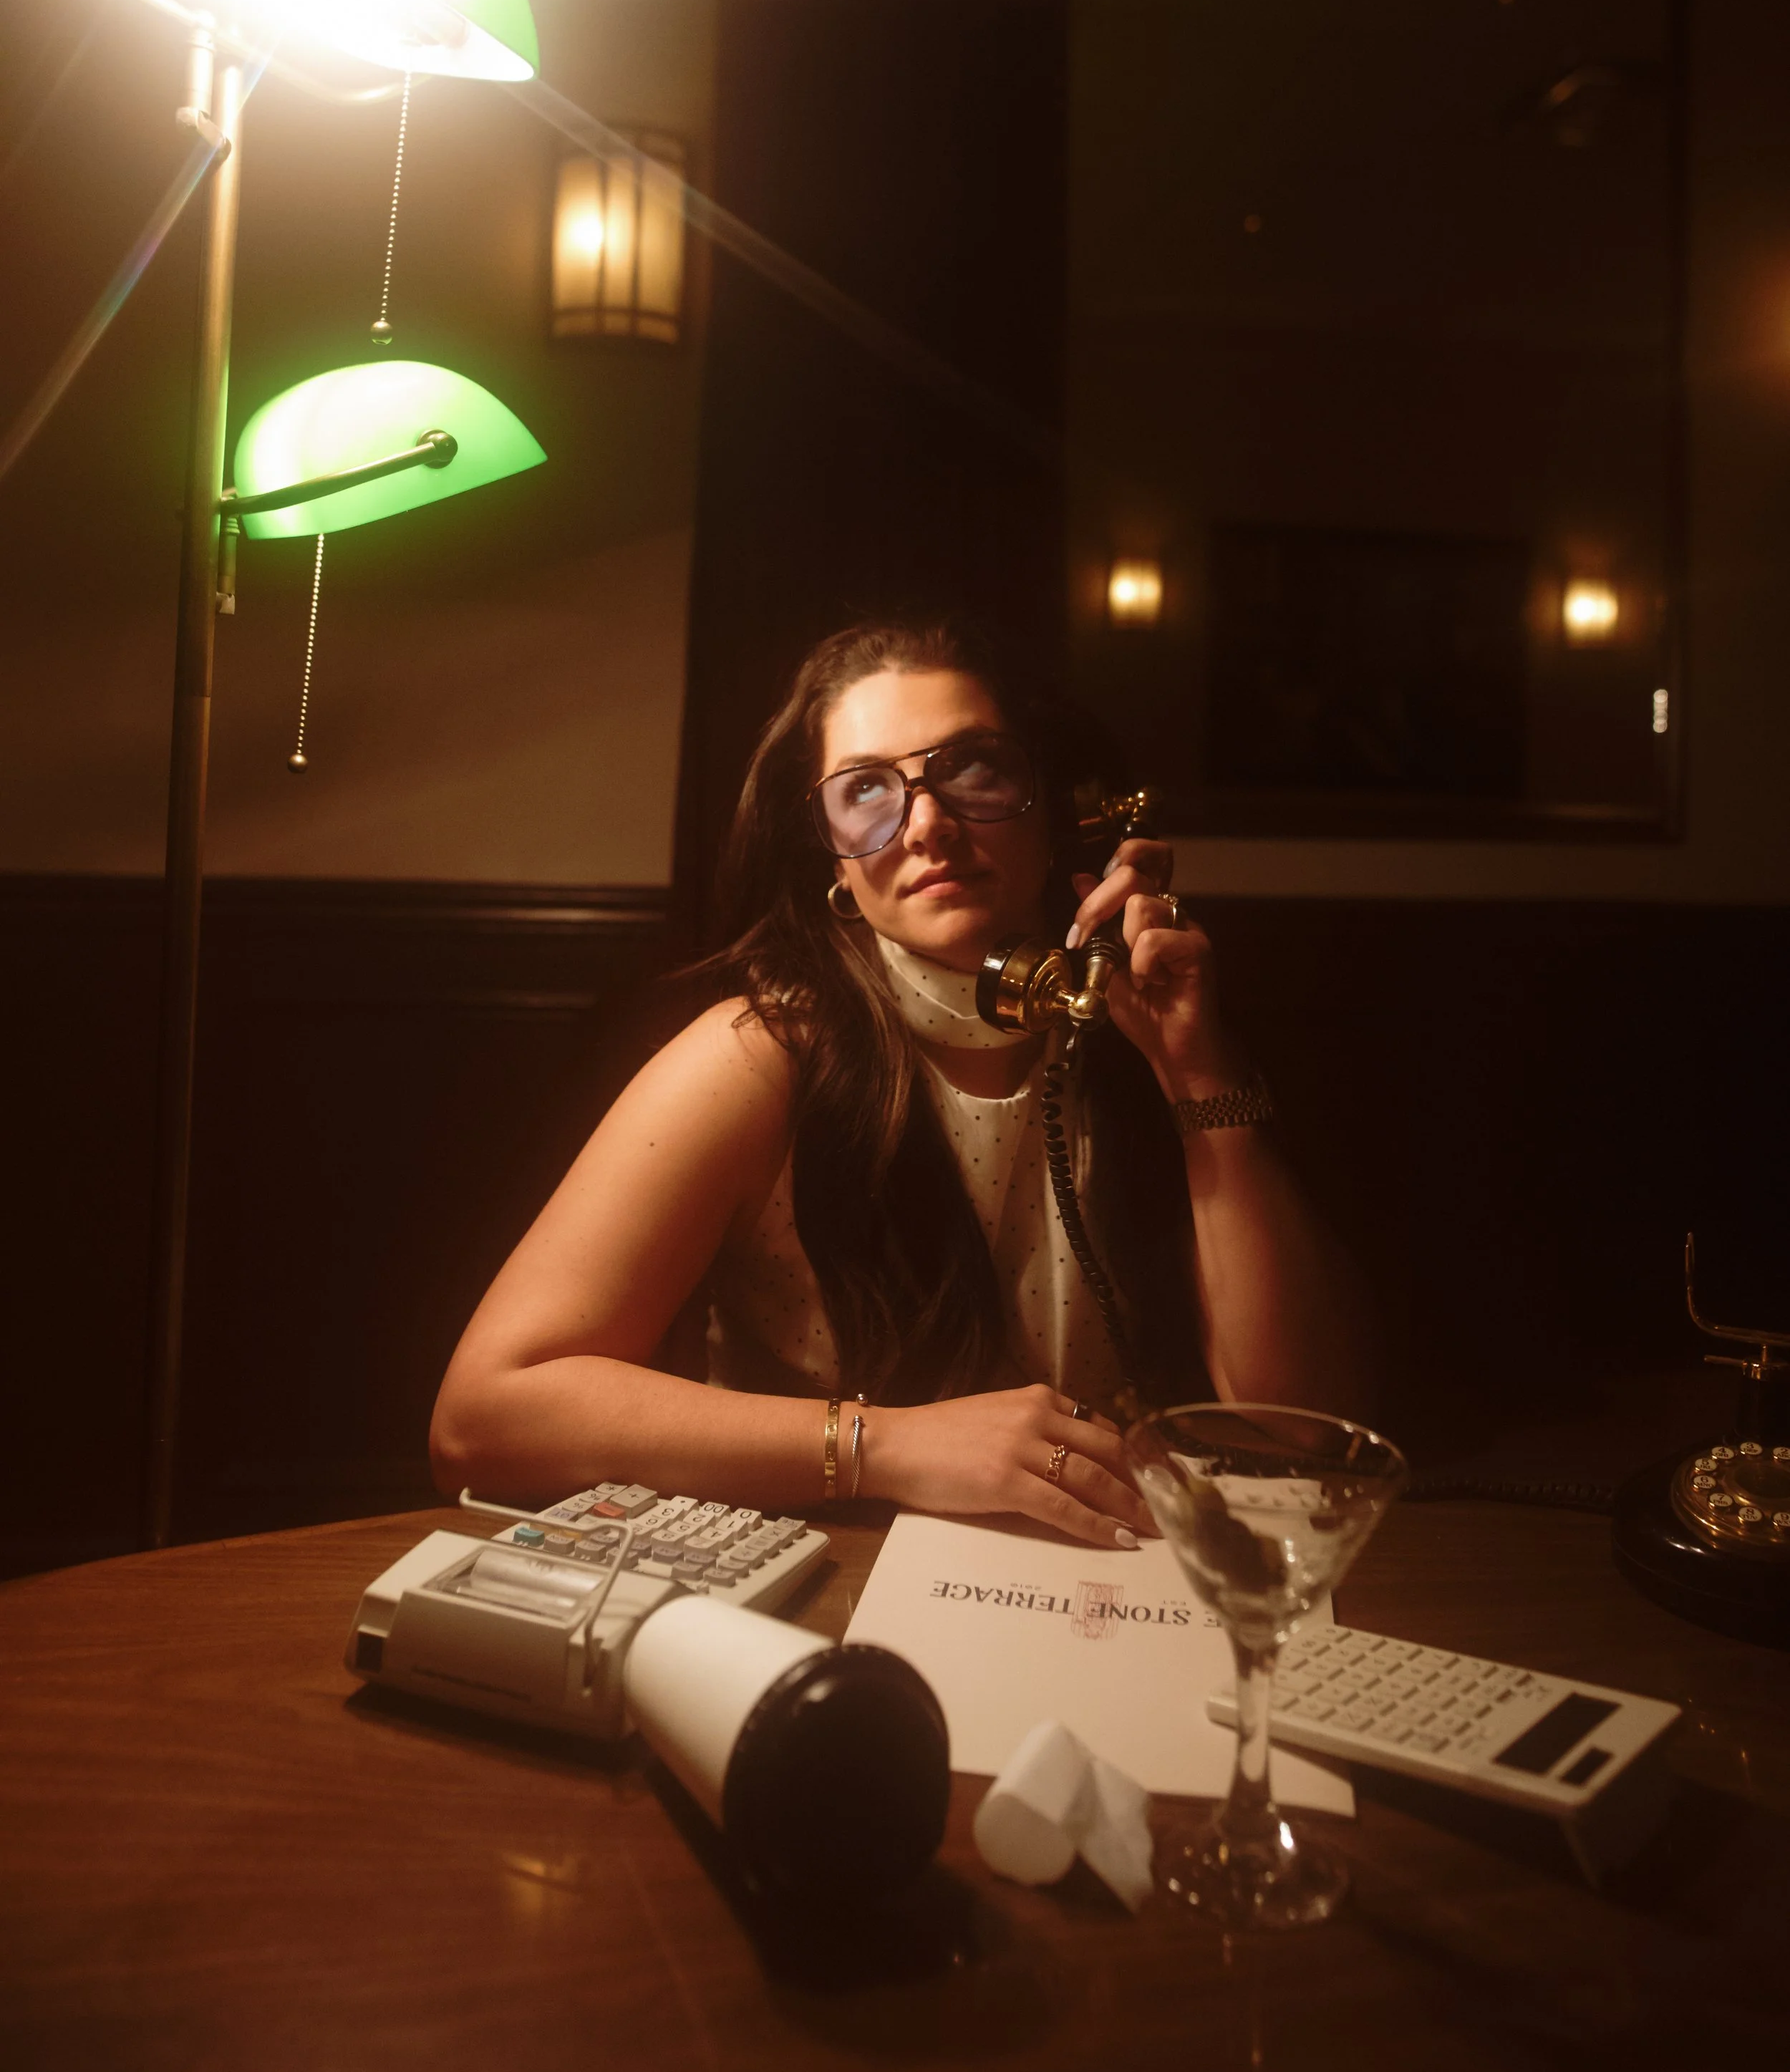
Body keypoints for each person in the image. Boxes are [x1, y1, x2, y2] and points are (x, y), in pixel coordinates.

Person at [431, 620, 1370, 1551]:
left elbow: (1304, 1429)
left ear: (1059, 811)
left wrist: (1199, 1075)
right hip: (831, 1590)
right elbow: (481, 1417)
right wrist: (889, 1445)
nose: (928, 823)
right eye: (867, 790)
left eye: (973, 769)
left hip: (1111, 1590)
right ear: (835, 859)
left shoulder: (1129, 1031)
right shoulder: (760, 1056)